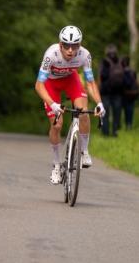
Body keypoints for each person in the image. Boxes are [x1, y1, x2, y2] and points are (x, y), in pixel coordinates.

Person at [35, 25, 105, 185]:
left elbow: (90, 82)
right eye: (66, 45)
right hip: (50, 85)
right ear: (60, 44)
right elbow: (39, 85)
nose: (70, 50)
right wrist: (52, 104)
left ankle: (84, 151)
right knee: (57, 125)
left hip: (70, 80)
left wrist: (100, 103)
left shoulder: (84, 55)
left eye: (75, 46)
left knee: (84, 114)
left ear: (80, 46)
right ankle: (56, 165)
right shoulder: (51, 54)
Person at [99, 44, 124, 136]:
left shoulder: (104, 61)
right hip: (117, 91)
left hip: (105, 91)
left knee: (105, 112)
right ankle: (115, 131)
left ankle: (105, 132)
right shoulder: (120, 61)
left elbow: (102, 75)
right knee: (117, 113)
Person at [122, 56, 138, 130]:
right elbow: (135, 82)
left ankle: (126, 124)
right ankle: (129, 124)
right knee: (130, 108)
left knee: (126, 108)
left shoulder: (122, 71)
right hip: (132, 93)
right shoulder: (133, 71)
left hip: (125, 93)